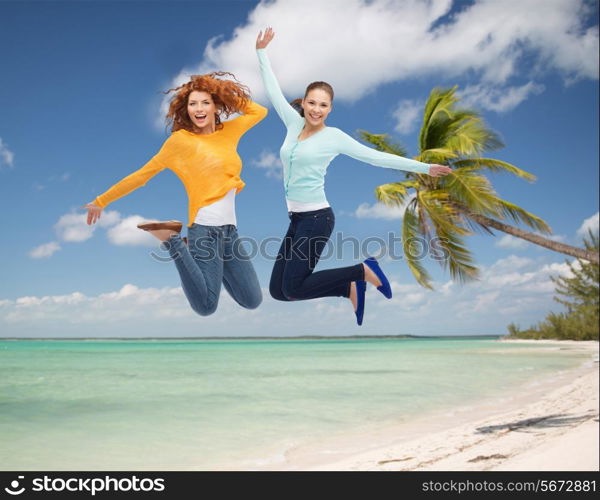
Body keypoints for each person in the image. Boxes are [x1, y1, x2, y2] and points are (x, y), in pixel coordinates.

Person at [255, 27, 452, 325]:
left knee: (293, 286)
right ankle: (347, 288)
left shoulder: (334, 137)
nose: (316, 109)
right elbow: (272, 90)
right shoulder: (292, 124)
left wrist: (424, 168)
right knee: (279, 292)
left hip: (317, 219)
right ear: (304, 103)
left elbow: (375, 157)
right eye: (312, 103)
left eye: (323, 105)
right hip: (296, 220)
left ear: (330, 109)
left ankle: (361, 270)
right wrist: (261, 52)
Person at [84, 72, 267, 316]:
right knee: (206, 307)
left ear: (215, 106)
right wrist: (101, 201)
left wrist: (223, 92)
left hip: (230, 232)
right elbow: (142, 175)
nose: (198, 109)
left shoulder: (228, 133)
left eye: (205, 102)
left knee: (252, 300)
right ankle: (172, 241)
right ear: (186, 109)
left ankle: (187, 250)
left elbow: (258, 112)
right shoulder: (180, 142)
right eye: (193, 104)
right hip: (205, 229)